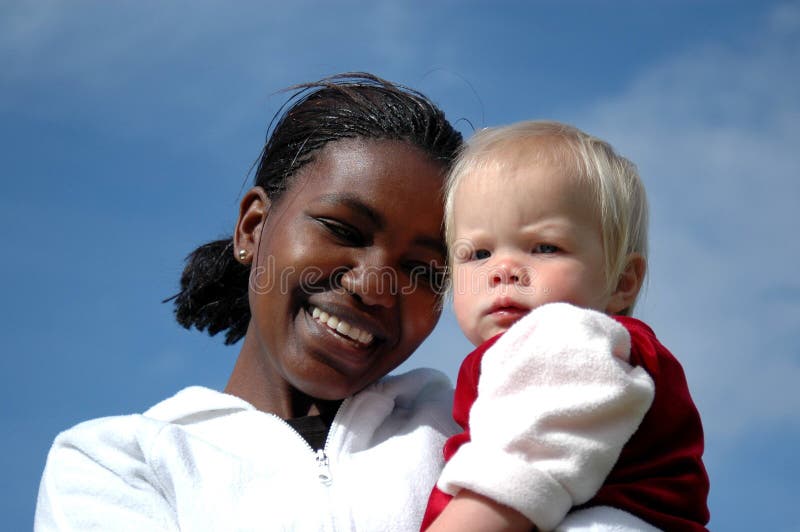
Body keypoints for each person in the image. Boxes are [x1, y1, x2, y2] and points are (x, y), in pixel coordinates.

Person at [34, 73, 465, 531]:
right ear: (252, 229)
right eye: (343, 231)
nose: (374, 286)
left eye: (422, 270)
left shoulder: (482, 432)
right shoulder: (115, 464)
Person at [422, 121, 710, 531]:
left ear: (622, 281)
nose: (504, 270)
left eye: (544, 247)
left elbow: (513, 479)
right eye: (479, 253)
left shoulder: (568, 341)